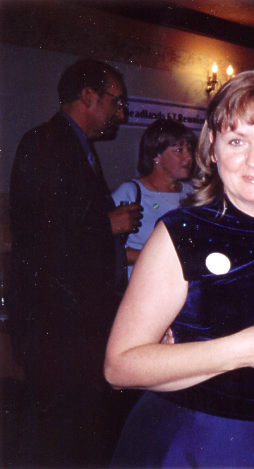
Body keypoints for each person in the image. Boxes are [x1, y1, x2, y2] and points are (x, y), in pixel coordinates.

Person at [104, 70, 254, 467]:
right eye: (236, 141)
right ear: (212, 150)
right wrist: (240, 349)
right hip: (196, 442)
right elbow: (119, 366)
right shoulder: (183, 233)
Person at [9, 58, 142, 466]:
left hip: (76, 320)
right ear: (88, 95)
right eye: (116, 102)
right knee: (57, 432)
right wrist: (107, 225)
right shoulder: (45, 142)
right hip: (56, 323)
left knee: (76, 428)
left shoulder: (74, 144)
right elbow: (37, 232)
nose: (121, 114)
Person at [112, 119, 196, 276]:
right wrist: (160, 259)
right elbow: (104, 248)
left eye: (189, 149)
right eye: (179, 150)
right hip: (142, 281)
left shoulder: (192, 192)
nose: (189, 157)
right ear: (156, 155)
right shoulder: (131, 192)